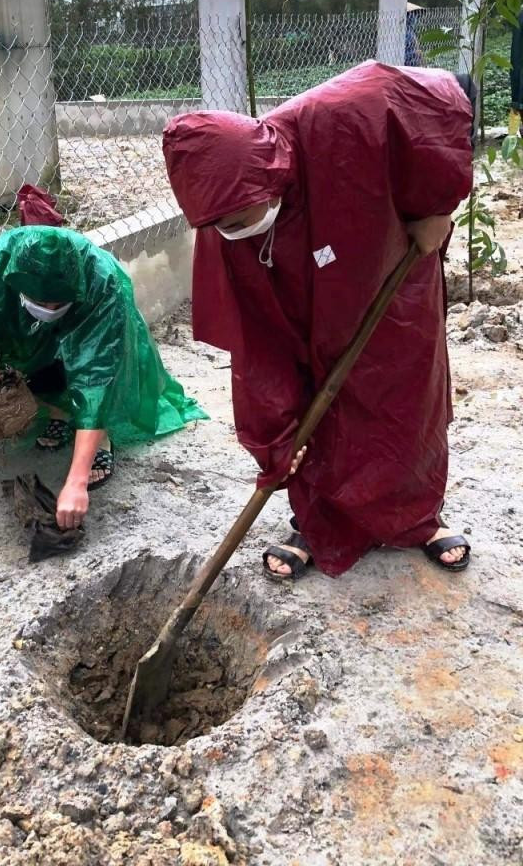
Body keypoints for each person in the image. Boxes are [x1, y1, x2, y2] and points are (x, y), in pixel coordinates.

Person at [162, 60, 473, 581]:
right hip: (303, 295)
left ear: (269, 172)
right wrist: (275, 441)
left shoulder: (340, 114)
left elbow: (435, 98)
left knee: (404, 392)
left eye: (242, 217)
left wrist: (437, 205)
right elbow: (258, 352)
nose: (235, 231)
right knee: (313, 400)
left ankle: (418, 518)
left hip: (387, 265)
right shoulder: (227, 232)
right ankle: (316, 521)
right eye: (221, 226)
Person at [0, 226, 207, 531]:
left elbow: (95, 376)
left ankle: (99, 441)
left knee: (88, 362)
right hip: (18, 320)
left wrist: (76, 480)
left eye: (57, 305)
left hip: (93, 310)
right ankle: (59, 411)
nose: (49, 311)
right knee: (8, 361)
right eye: (41, 303)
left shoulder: (100, 282)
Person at [404, 2, 423, 67]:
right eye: (410, 14)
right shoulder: (402, 31)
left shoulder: (410, 31)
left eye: (415, 15)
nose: (413, 17)